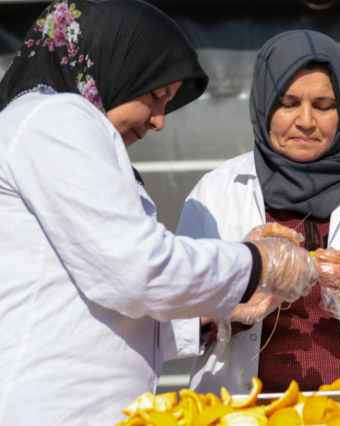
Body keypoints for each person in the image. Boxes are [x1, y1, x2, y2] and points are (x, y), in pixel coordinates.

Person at [0, 1, 316, 424]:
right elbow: (137, 270)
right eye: (155, 95)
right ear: (115, 65)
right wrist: (259, 262)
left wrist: (211, 312)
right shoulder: (57, 117)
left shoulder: (56, 129)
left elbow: (102, 312)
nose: (159, 121)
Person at [165, 30, 340, 425]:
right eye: (288, 103)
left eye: (323, 105)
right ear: (264, 103)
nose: (306, 121)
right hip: (244, 413)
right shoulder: (215, 193)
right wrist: (227, 300)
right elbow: (164, 318)